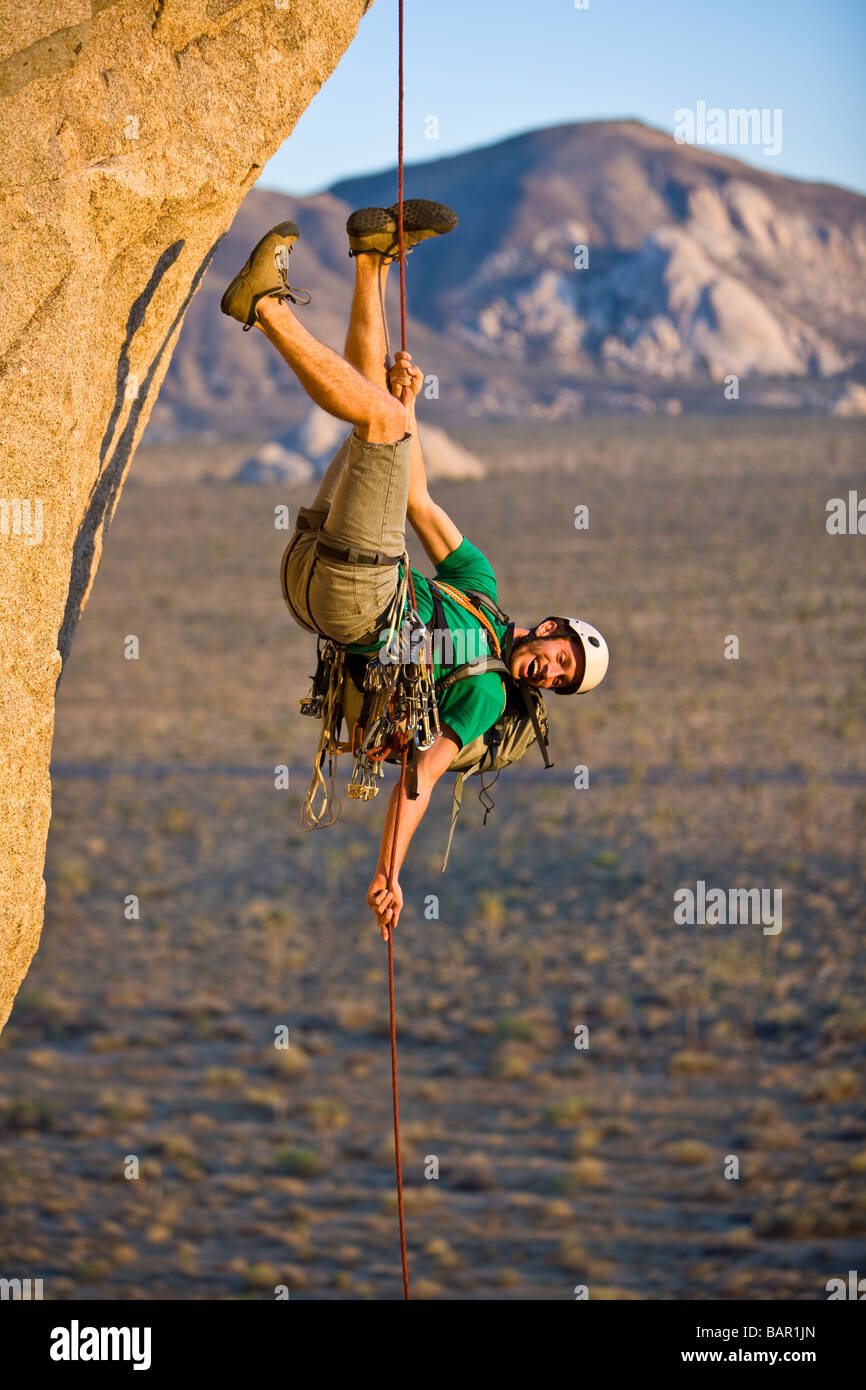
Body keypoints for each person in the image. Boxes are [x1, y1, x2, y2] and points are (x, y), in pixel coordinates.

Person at [221, 200, 609, 938]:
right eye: (561, 658)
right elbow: (419, 496)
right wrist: (411, 408)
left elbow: (422, 776)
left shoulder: (487, 695)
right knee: (382, 415)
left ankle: (264, 307)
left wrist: (389, 872)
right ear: (552, 627)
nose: (551, 673)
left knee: (381, 424)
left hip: (360, 601)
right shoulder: (482, 592)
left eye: (561, 681)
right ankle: (370, 261)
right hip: (325, 571)